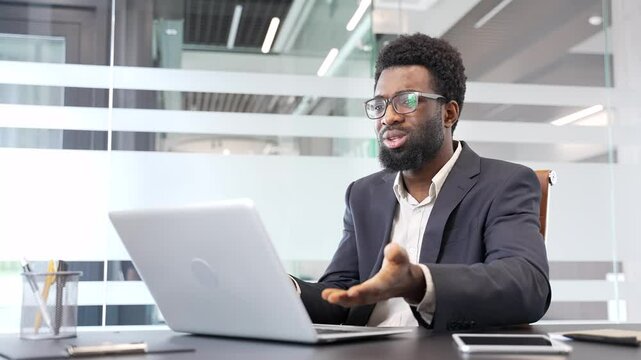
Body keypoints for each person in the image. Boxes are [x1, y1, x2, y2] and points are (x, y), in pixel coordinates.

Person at [290, 33, 551, 331]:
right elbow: (339, 295)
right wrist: (286, 287)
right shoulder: (363, 194)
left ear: (449, 113)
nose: (388, 117)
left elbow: (527, 285)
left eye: (406, 101)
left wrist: (419, 284)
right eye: (380, 104)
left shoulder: (505, 183)